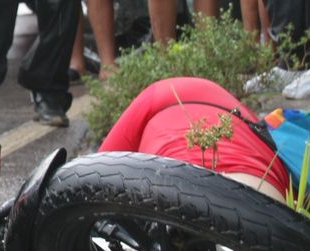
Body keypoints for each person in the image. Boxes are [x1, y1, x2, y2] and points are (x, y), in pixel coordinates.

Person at [99, 76, 290, 204]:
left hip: (178, 192)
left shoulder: (155, 94)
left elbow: (96, 174)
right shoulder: (246, 116)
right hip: (263, 194)